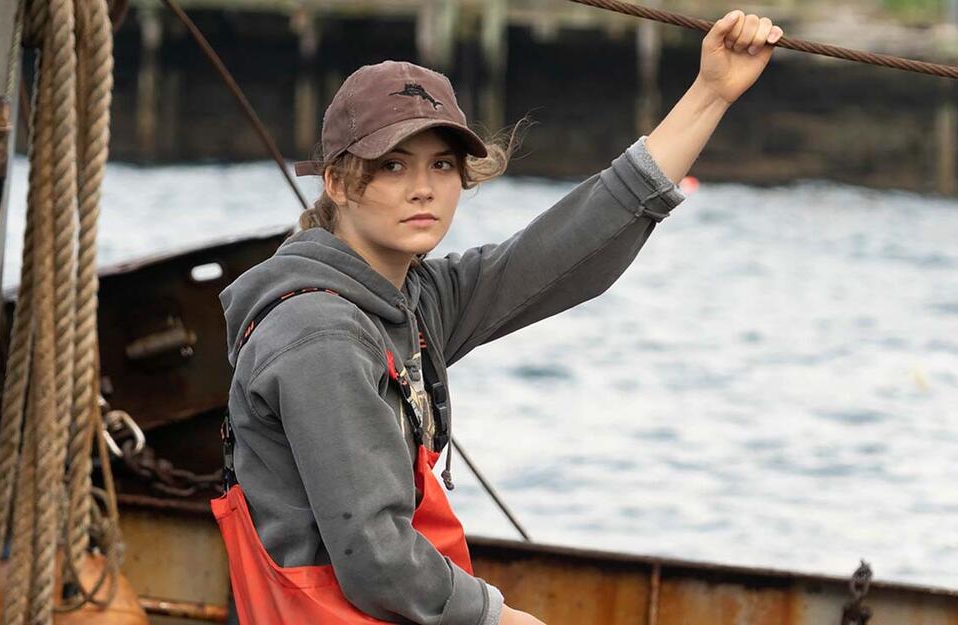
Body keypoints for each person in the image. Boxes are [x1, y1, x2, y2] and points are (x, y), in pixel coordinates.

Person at [217, 9, 784, 625]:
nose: (424, 189)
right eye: (392, 166)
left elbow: (565, 250)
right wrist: (501, 618)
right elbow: (376, 560)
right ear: (339, 182)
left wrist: (710, 93)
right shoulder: (319, 335)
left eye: (441, 165)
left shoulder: (413, 298)